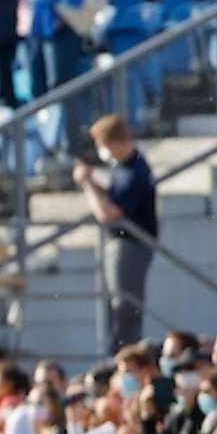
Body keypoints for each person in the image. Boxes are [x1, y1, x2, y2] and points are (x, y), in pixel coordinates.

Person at [77, 114, 159, 353]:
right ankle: (122, 353)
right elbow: (114, 198)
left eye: (103, 145)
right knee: (119, 307)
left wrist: (86, 184)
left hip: (131, 246)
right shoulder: (123, 167)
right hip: (124, 245)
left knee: (125, 307)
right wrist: (94, 183)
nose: (102, 151)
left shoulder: (135, 170)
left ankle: (125, 355)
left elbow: (109, 212)